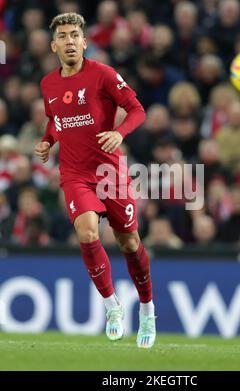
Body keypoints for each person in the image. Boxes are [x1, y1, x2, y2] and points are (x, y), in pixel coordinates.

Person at [34, 12, 156, 348]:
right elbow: (55, 120)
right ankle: (112, 307)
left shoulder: (102, 74)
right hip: (75, 174)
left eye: (76, 35)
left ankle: (147, 309)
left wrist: (119, 134)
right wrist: (48, 141)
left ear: (85, 42)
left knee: (129, 243)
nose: (70, 41)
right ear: (53, 45)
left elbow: (137, 110)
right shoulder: (48, 84)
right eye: (63, 36)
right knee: (87, 233)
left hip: (110, 173)